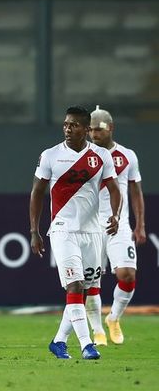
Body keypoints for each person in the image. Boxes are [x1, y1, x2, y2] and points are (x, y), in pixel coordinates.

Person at [29, 106, 122, 360]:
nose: (68, 129)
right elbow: (37, 192)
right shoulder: (50, 155)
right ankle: (86, 344)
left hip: (92, 232)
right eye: (65, 125)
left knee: (85, 290)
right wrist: (34, 230)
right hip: (62, 230)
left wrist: (115, 215)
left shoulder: (101, 156)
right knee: (75, 284)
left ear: (85, 129)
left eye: (73, 125)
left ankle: (59, 341)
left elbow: (115, 189)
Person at [85, 106, 145, 346]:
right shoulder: (83, 156)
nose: (93, 134)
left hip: (118, 223)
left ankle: (114, 318)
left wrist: (140, 224)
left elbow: (136, 191)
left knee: (127, 274)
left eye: (97, 129)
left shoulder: (127, 156)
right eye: (89, 130)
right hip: (89, 226)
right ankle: (97, 330)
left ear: (110, 128)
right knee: (90, 281)